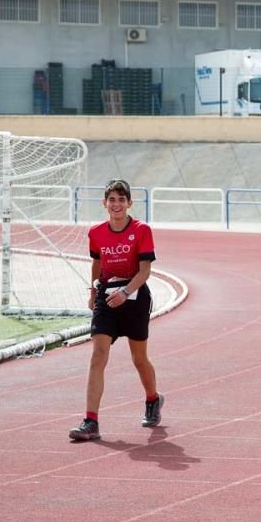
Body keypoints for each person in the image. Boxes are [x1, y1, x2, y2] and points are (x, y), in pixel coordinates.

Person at [69, 179, 162, 441]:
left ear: (129, 203)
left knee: (139, 358)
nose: (117, 204)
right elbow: (97, 264)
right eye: (112, 200)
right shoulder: (96, 232)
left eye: (122, 200)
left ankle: (153, 399)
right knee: (98, 355)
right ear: (105, 203)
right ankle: (91, 421)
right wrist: (94, 291)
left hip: (134, 297)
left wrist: (125, 292)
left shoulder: (142, 230)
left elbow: (145, 271)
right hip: (106, 299)